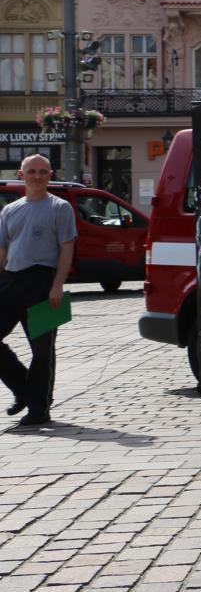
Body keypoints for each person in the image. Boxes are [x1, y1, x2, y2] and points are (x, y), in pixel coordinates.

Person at [0, 155, 76, 427]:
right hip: (9, 282)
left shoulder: (60, 207)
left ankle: (39, 409)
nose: (37, 176)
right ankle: (23, 389)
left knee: (43, 351)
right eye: (31, 171)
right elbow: (3, 250)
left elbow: (67, 247)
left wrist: (58, 284)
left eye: (43, 171)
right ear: (21, 175)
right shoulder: (10, 210)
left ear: (50, 175)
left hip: (43, 283)